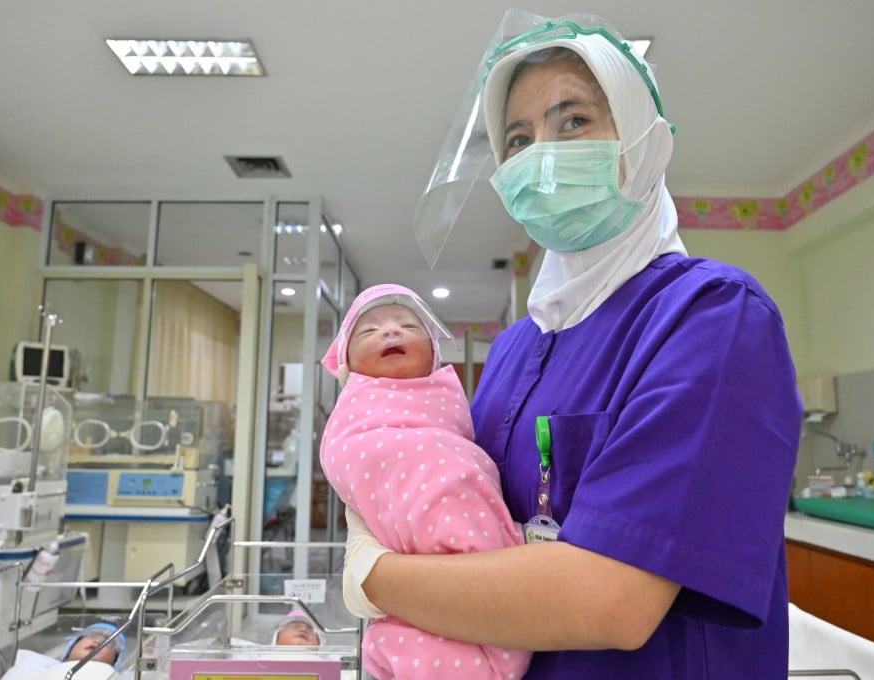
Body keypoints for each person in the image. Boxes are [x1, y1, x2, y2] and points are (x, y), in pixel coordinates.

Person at [341, 9, 803, 679]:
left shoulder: (711, 316)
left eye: (575, 121)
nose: (542, 157)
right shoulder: (512, 350)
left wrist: (372, 576)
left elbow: (612, 600)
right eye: (519, 138)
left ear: (643, 141)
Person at [320, 283, 531, 679]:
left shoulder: (446, 401)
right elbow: (345, 455)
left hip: (486, 558)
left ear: (433, 354)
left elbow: (461, 455)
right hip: (421, 552)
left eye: (407, 325)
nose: (390, 331)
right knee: (429, 638)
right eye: (369, 331)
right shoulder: (356, 412)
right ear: (348, 364)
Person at [1, 621, 125, 679]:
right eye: (91, 636)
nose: (96, 641)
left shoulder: (109, 675)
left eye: (108, 644)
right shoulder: (34, 664)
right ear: (72, 646)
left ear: (115, 660)